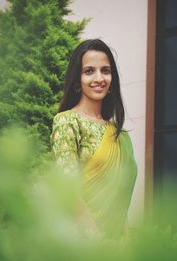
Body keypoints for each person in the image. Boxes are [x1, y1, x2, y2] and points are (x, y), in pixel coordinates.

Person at [50, 39, 137, 238]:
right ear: (77, 80)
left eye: (105, 70)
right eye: (89, 71)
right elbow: (68, 188)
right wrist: (95, 242)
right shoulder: (67, 122)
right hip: (82, 242)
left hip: (118, 243)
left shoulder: (120, 135)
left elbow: (121, 204)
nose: (99, 78)